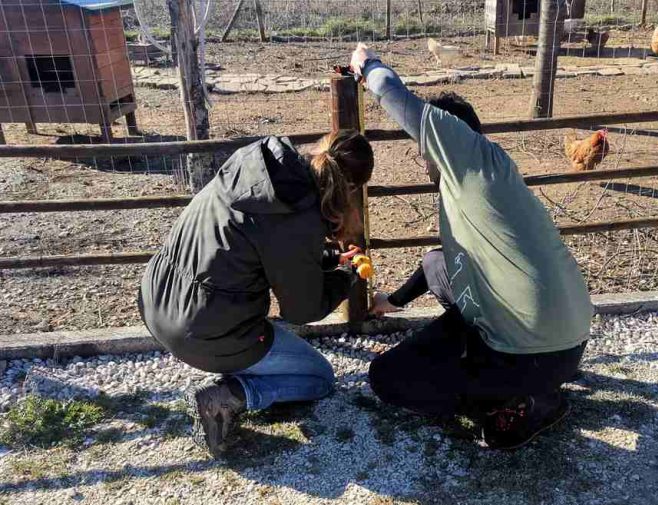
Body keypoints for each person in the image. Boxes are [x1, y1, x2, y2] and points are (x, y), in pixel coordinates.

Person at [350, 45, 593, 450]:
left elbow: (396, 97)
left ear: (445, 137)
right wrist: (392, 300)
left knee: (390, 379)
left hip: (530, 355)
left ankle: (523, 401)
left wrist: (367, 65)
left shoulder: (465, 156)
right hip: (567, 344)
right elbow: (436, 265)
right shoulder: (481, 183)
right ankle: (519, 382)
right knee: (435, 261)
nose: (421, 154)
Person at [138, 131, 374, 457]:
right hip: (205, 333)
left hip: (157, 300)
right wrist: (346, 278)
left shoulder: (257, 163)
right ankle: (232, 394)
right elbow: (302, 310)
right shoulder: (297, 217)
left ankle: (230, 367)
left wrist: (331, 259)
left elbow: (261, 247)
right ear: (348, 190)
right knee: (321, 378)